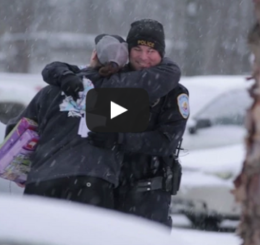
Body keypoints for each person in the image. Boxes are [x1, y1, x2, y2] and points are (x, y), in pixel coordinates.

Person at [6, 33, 181, 210]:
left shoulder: (53, 89)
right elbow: (153, 139)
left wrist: (22, 171)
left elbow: (15, 130)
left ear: (94, 54)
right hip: (92, 184)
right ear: (123, 64)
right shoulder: (124, 94)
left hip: (41, 182)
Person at [42, 19, 189, 229]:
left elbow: (165, 142)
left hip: (148, 196)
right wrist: (65, 76)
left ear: (162, 54)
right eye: (137, 49)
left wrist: (119, 139)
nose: (144, 57)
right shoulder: (112, 76)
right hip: (105, 190)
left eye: (151, 51)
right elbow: (54, 68)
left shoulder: (173, 93)